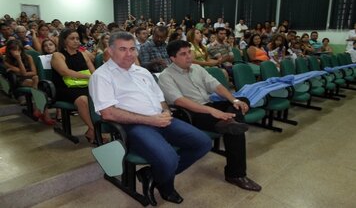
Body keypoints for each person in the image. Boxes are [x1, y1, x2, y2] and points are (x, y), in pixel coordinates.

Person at [89, 32, 211, 206]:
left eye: (132, 49)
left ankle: (153, 175)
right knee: (168, 159)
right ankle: (166, 185)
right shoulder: (101, 76)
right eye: (123, 49)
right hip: (134, 126)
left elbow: (160, 98)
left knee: (203, 143)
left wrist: (166, 111)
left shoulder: (142, 71)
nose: (129, 54)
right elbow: (108, 113)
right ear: (110, 50)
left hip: (161, 119)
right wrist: (151, 120)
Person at [158, 40, 262, 192]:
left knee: (241, 101)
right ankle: (235, 174)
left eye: (189, 52)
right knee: (234, 128)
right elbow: (180, 101)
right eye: (183, 54)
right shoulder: (166, 76)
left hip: (209, 105)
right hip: (190, 113)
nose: (189, 56)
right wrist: (212, 111)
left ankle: (229, 121)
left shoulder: (197, 68)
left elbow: (216, 86)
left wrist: (235, 100)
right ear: (172, 58)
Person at [50, 29, 96, 143]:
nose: (76, 41)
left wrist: (94, 78)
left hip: (83, 85)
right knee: (83, 100)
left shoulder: (84, 54)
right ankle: (95, 129)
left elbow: (93, 72)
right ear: (64, 41)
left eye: (77, 38)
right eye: (72, 38)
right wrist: (88, 77)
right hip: (65, 88)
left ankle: (92, 131)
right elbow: (65, 72)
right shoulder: (57, 55)